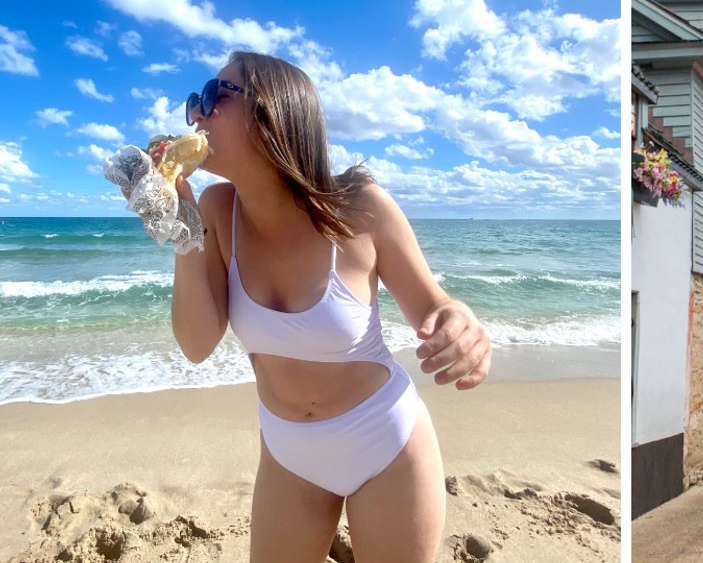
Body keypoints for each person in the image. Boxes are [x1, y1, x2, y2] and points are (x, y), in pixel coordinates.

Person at [122, 51, 492, 562]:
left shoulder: (361, 208)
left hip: (386, 443)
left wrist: (461, 320)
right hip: (287, 455)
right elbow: (196, 345)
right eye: (193, 103)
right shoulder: (217, 211)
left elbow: (435, 303)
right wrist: (183, 234)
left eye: (213, 95)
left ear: (273, 110)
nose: (195, 115)